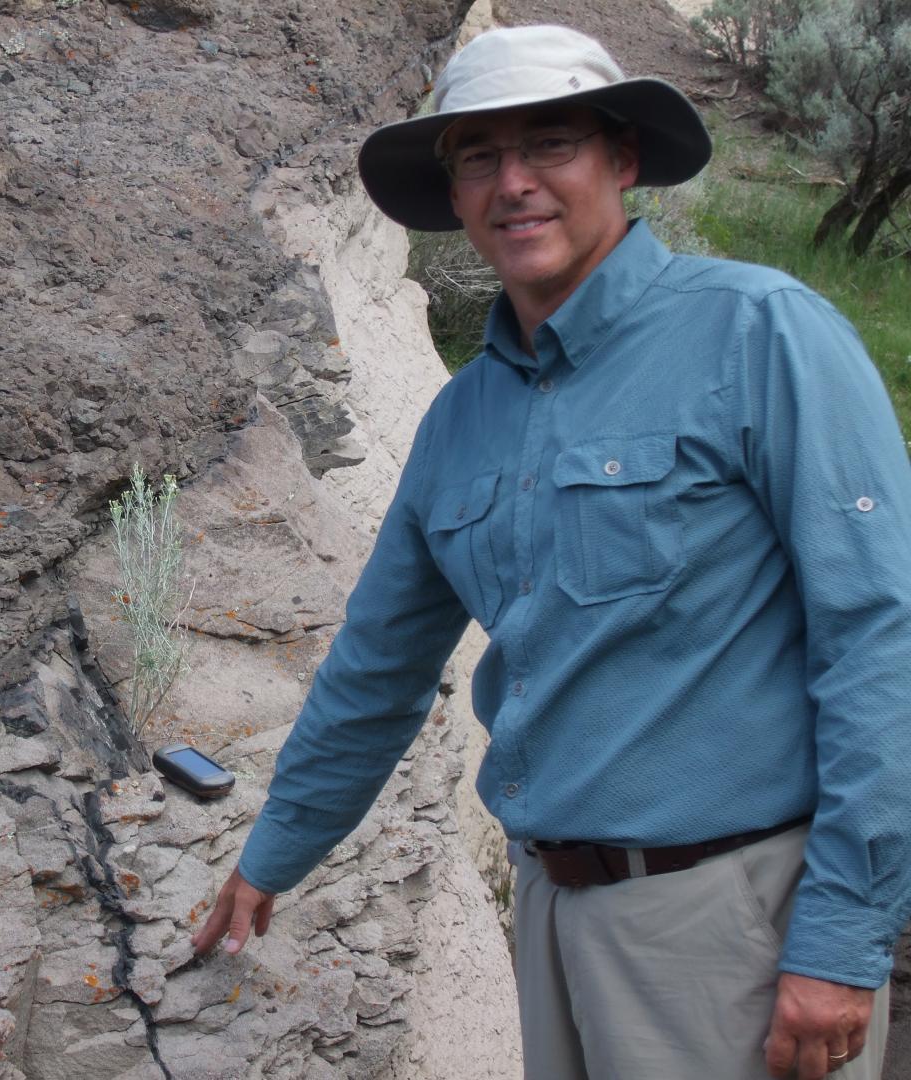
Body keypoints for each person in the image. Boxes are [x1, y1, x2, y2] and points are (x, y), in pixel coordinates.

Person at [190, 24, 910, 1080]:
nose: (514, 183)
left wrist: (843, 939)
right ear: (451, 193)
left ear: (622, 160)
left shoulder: (762, 335)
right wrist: (272, 855)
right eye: (479, 157)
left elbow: (881, 642)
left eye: (550, 145)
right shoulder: (457, 422)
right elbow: (378, 665)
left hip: (732, 926)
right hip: (552, 918)